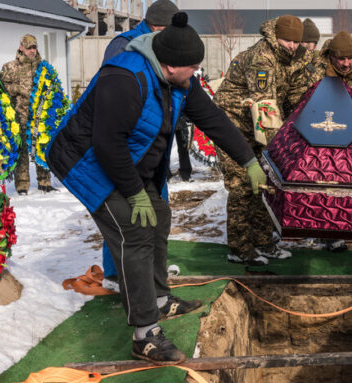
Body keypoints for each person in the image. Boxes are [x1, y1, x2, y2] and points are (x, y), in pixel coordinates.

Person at [46, 13, 264, 364]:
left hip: (129, 161)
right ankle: (144, 335)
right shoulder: (124, 77)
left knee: (159, 216)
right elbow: (107, 144)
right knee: (133, 231)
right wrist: (133, 193)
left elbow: (213, 119)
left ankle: (160, 299)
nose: (195, 74)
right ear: (169, 65)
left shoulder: (180, 82)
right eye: (191, 68)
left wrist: (248, 161)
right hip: (88, 162)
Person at [98, 0, 181, 290]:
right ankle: (114, 274)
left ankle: (153, 271)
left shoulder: (162, 42)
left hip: (152, 145)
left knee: (158, 210)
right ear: (159, 27)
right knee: (125, 216)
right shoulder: (124, 45)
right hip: (127, 146)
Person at [214, 16, 302, 265]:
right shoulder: (261, 60)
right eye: (287, 40)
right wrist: (280, 152)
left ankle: (263, 242)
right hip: (232, 128)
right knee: (242, 186)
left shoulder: (285, 58)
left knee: (264, 186)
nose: (292, 46)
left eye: (296, 41)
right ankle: (240, 248)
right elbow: (265, 110)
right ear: (276, 37)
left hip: (255, 129)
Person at [0, 35, 56, 194]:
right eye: (29, 47)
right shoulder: (10, 67)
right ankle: (22, 185)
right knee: (22, 148)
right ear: (21, 48)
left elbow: (52, 87)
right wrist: (18, 90)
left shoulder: (43, 67)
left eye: (34, 47)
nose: (32, 50)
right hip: (20, 113)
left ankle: (45, 181)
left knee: (42, 145)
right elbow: (3, 87)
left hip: (40, 114)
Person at [286, 31, 352, 108]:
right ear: (331, 57)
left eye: (350, 58)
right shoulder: (315, 72)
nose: (346, 64)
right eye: (341, 59)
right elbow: (294, 100)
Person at [102, 0, 178, 62]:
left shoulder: (167, 42)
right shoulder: (123, 43)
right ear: (154, 26)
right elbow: (108, 77)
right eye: (171, 28)